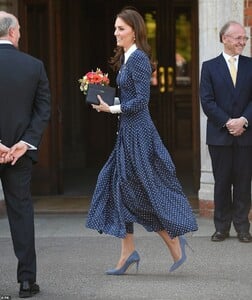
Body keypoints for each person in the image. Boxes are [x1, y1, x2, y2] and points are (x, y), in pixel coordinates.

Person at [86, 8, 198, 275]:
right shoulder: (127, 58)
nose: (116, 33)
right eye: (115, 28)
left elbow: (140, 102)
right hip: (127, 133)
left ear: (134, 31)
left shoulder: (137, 59)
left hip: (139, 135)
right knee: (116, 186)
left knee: (134, 190)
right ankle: (129, 251)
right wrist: (105, 101)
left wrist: (111, 110)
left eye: (120, 29)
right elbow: (129, 99)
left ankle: (170, 240)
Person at [0, 11, 51, 298]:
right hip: (20, 155)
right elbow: (43, 109)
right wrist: (25, 143)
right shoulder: (34, 66)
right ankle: (26, 282)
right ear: (13, 33)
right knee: (21, 214)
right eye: (18, 29)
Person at [200, 20, 252, 243]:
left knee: (243, 182)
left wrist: (244, 120)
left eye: (244, 38)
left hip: (247, 134)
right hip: (219, 136)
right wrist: (228, 122)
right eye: (239, 38)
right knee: (221, 182)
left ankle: (243, 227)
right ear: (225, 38)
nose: (243, 42)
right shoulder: (209, 66)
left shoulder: (251, 65)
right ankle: (221, 227)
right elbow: (207, 101)